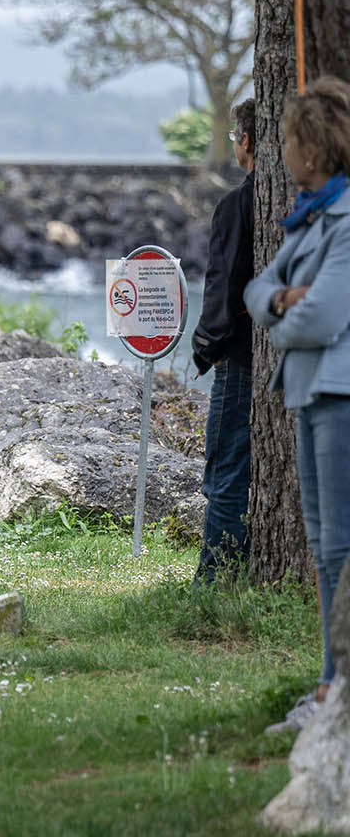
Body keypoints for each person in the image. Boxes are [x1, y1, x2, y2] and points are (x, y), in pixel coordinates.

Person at [245, 76, 350, 733]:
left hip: (339, 392)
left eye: (285, 140)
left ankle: (336, 692)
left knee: (338, 546)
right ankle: (330, 683)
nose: (280, 151)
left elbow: (324, 316)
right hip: (311, 389)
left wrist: (282, 319)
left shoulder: (344, 220)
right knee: (321, 544)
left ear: (311, 150)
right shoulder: (312, 215)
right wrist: (286, 301)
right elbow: (259, 289)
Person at [191, 96, 257, 583]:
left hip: (239, 355)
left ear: (247, 142)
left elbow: (223, 282)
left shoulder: (238, 203)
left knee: (226, 471)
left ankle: (216, 580)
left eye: (235, 136)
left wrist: (206, 346)